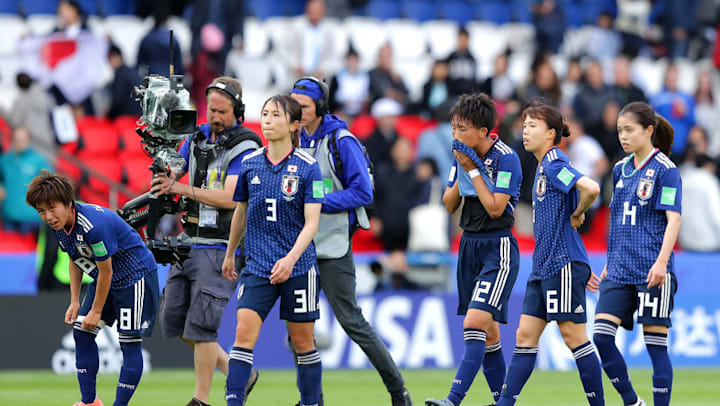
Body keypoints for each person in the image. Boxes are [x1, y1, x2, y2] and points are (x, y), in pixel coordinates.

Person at [290, 77, 413, 405]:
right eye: (293, 105)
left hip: (331, 246)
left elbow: (363, 192)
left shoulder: (341, 141)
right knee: (297, 329)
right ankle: (313, 399)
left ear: (319, 106)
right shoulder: (293, 137)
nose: (296, 112)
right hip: (300, 248)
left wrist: (316, 204)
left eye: (302, 107)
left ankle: (398, 391)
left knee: (351, 321)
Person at [150, 76, 263, 406]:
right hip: (188, 240)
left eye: (222, 111)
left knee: (202, 327)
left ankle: (200, 400)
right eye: (211, 109)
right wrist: (165, 166)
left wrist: (180, 189)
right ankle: (237, 371)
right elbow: (177, 168)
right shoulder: (196, 136)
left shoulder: (246, 146)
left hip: (219, 244)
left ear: (237, 110)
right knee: (174, 320)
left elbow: (230, 197)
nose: (215, 117)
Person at [495, 102, 604, 406]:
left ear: (551, 133)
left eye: (532, 126)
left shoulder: (555, 162)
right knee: (525, 336)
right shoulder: (543, 165)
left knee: (574, 338)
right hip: (543, 267)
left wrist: (579, 212)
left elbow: (592, 188)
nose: (525, 131)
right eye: (524, 125)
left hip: (561, 264)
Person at [222, 95, 324, 406]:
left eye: (276, 115)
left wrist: (290, 260)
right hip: (257, 267)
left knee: (303, 341)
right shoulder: (250, 164)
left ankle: (309, 403)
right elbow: (241, 211)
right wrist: (230, 254)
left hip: (299, 267)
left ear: (294, 124)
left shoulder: (309, 168)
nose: (267, 119)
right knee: (242, 336)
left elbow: (312, 223)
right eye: (264, 113)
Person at [25, 170, 160, 406]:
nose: (48, 216)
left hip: (134, 276)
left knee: (129, 342)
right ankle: (90, 402)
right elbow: (74, 259)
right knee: (82, 332)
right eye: (41, 211)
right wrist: (75, 301)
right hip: (105, 278)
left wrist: (96, 311)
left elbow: (106, 271)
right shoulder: (59, 226)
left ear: (68, 203)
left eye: (52, 207)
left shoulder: (93, 226)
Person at [426, 93, 522, 406]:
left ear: (483, 131)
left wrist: (474, 170)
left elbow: (496, 209)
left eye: (462, 129)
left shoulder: (506, 157)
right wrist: (461, 169)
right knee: (489, 335)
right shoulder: (461, 155)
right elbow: (449, 203)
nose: (455, 135)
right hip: (469, 245)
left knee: (473, 323)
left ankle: (452, 400)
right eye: (453, 128)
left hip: (498, 248)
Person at [592, 101, 682, 406]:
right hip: (618, 270)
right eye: (619, 130)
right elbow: (617, 218)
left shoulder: (666, 170)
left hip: (651, 270)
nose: (623, 136)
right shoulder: (619, 169)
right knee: (602, 336)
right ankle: (632, 402)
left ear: (648, 130)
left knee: (655, 346)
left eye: (629, 129)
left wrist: (661, 263)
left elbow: (674, 219)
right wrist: (608, 261)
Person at [0, 127, 51, 234]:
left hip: (31, 218)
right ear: (12, 140)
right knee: (10, 250)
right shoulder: (5, 160)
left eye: (23, 139)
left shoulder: (38, 160)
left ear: (29, 140)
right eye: (17, 139)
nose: (20, 142)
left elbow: (50, 183)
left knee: (32, 250)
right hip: (8, 217)